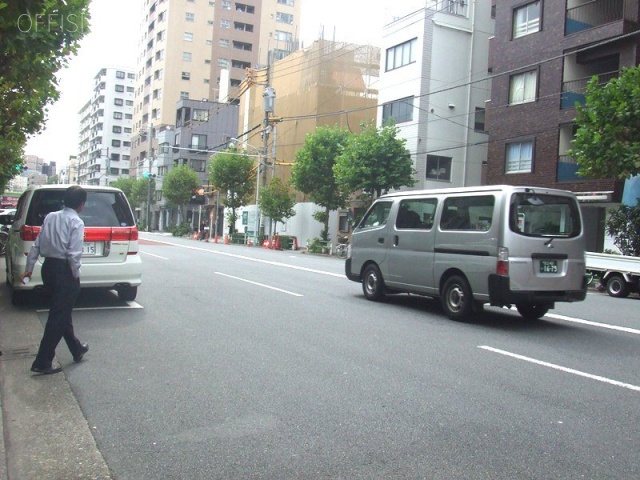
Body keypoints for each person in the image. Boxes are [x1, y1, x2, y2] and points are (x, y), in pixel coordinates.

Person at [21, 186, 89, 375]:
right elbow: (74, 254)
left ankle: (76, 348)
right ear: (81, 204)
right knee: (58, 316)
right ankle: (42, 361)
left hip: (48, 269)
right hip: (64, 271)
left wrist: (28, 270)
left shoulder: (51, 217)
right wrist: (75, 275)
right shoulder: (76, 221)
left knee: (61, 311)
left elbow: (36, 245)